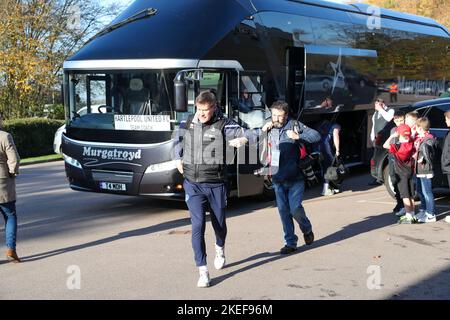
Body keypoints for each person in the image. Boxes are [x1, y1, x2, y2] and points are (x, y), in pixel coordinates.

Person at [174, 90, 248, 288]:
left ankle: (220, 247)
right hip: (193, 183)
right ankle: (203, 271)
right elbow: (177, 140)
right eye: (199, 109)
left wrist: (242, 139)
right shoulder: (188, 122)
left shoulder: (224, 124)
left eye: (206, 110)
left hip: (216, 183)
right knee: (197, 227)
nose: (202, 114)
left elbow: (243, 132)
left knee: (219, 224)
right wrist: (176, 157)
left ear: (214, 108)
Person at [261, 101, 321, 254]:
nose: (276, 119)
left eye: (279, 116)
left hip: (295, 177)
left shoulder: (294, 125)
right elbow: (257, 141)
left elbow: (316, 136)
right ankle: (290, 242)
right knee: (283, 211)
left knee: (294, 208)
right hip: (278, 178)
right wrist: (262, 131)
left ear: (286, 115)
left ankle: (307, 229)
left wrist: (298, 136)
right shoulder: (269, 128)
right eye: (274, 115)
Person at [383, 124, 415, 224]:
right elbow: (409, 137)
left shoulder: (397, 146)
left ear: (399, 134)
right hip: (409, 172)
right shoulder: (410, 143)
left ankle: (409, 215)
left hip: (401, 174)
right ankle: (412, 213)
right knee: (410, 195)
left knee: (405, 196)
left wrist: (392, 136)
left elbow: (385, 145)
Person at [0, 114, 21, 263]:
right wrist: (13, 173)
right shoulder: (5, 136)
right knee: (10, 215)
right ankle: (10, 250)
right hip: (2, 181)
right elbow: (14, 159)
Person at [414, 117, 438, 223]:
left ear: (420, 128)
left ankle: (431, 214)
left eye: (416, 127)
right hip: (419, 170)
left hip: (426, 170)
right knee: (420, 191)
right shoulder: (421, 138)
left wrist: (422, 157)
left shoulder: (429, 139)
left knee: (427, 192)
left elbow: (429, 150)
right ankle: (424, 210)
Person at [369, 98, 394, 185]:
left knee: (387, 158)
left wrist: (381, 109)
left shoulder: (390, 111)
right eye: (375, 104)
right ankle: (376, 178)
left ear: (382, 103)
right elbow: (374, 127)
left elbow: (389, 118)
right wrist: (372, 138)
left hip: (387, 140)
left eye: (377, 104)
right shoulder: (375, 114)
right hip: (378, 140)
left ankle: (386, 176)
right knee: (375, 159)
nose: (375, 106)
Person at [315, 118, 341, 196]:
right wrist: (337, 150)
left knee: (324, 167)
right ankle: (326, 189)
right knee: (330, 168)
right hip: (327, 148)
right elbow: (336, 136)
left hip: (318, 147)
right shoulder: (335, 126)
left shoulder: (318, 125)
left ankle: (331, 188)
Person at [390, 111, 406, 216]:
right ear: (394, 121)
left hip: (401, 158)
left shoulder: (405, 129)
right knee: (394, 180)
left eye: (401, 120)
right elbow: (390, 145)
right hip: (392, 157)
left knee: (403, 183)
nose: (400, 123)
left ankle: (404, 205)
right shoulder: (393, 130)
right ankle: (399, 202)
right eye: (397, 121)